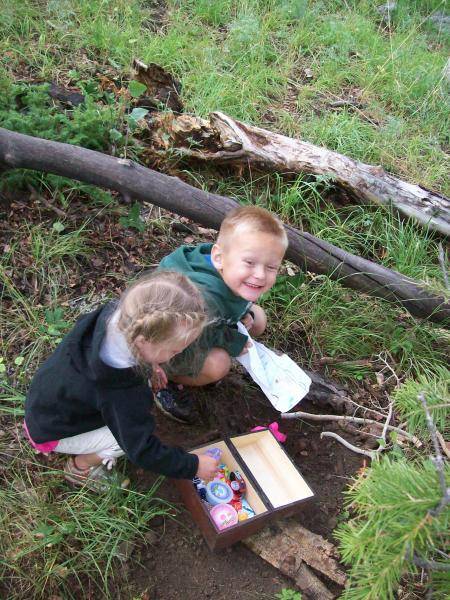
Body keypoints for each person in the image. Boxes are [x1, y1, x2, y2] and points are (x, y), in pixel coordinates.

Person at [24, 271, 219, 490]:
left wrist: (152, 364)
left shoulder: (115, 316)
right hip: (53, 431)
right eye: (174, 350)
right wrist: (193, 466)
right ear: (144, 341)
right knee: (121, 441)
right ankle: (80, 468)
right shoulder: (120, 392)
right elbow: (141, 450)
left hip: (47, 401)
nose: (175, 356)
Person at [154, 205, 288, 423]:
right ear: (218, 257)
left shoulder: (226, 264)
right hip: (166, 345)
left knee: (258, 319)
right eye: (250, 263)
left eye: (271, 267)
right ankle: (165, 380)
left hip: (204, 323)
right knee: (219, 365)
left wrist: (246, 316)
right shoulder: (201, 298)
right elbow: (195, 336)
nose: (260, 275)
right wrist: (233, 341)